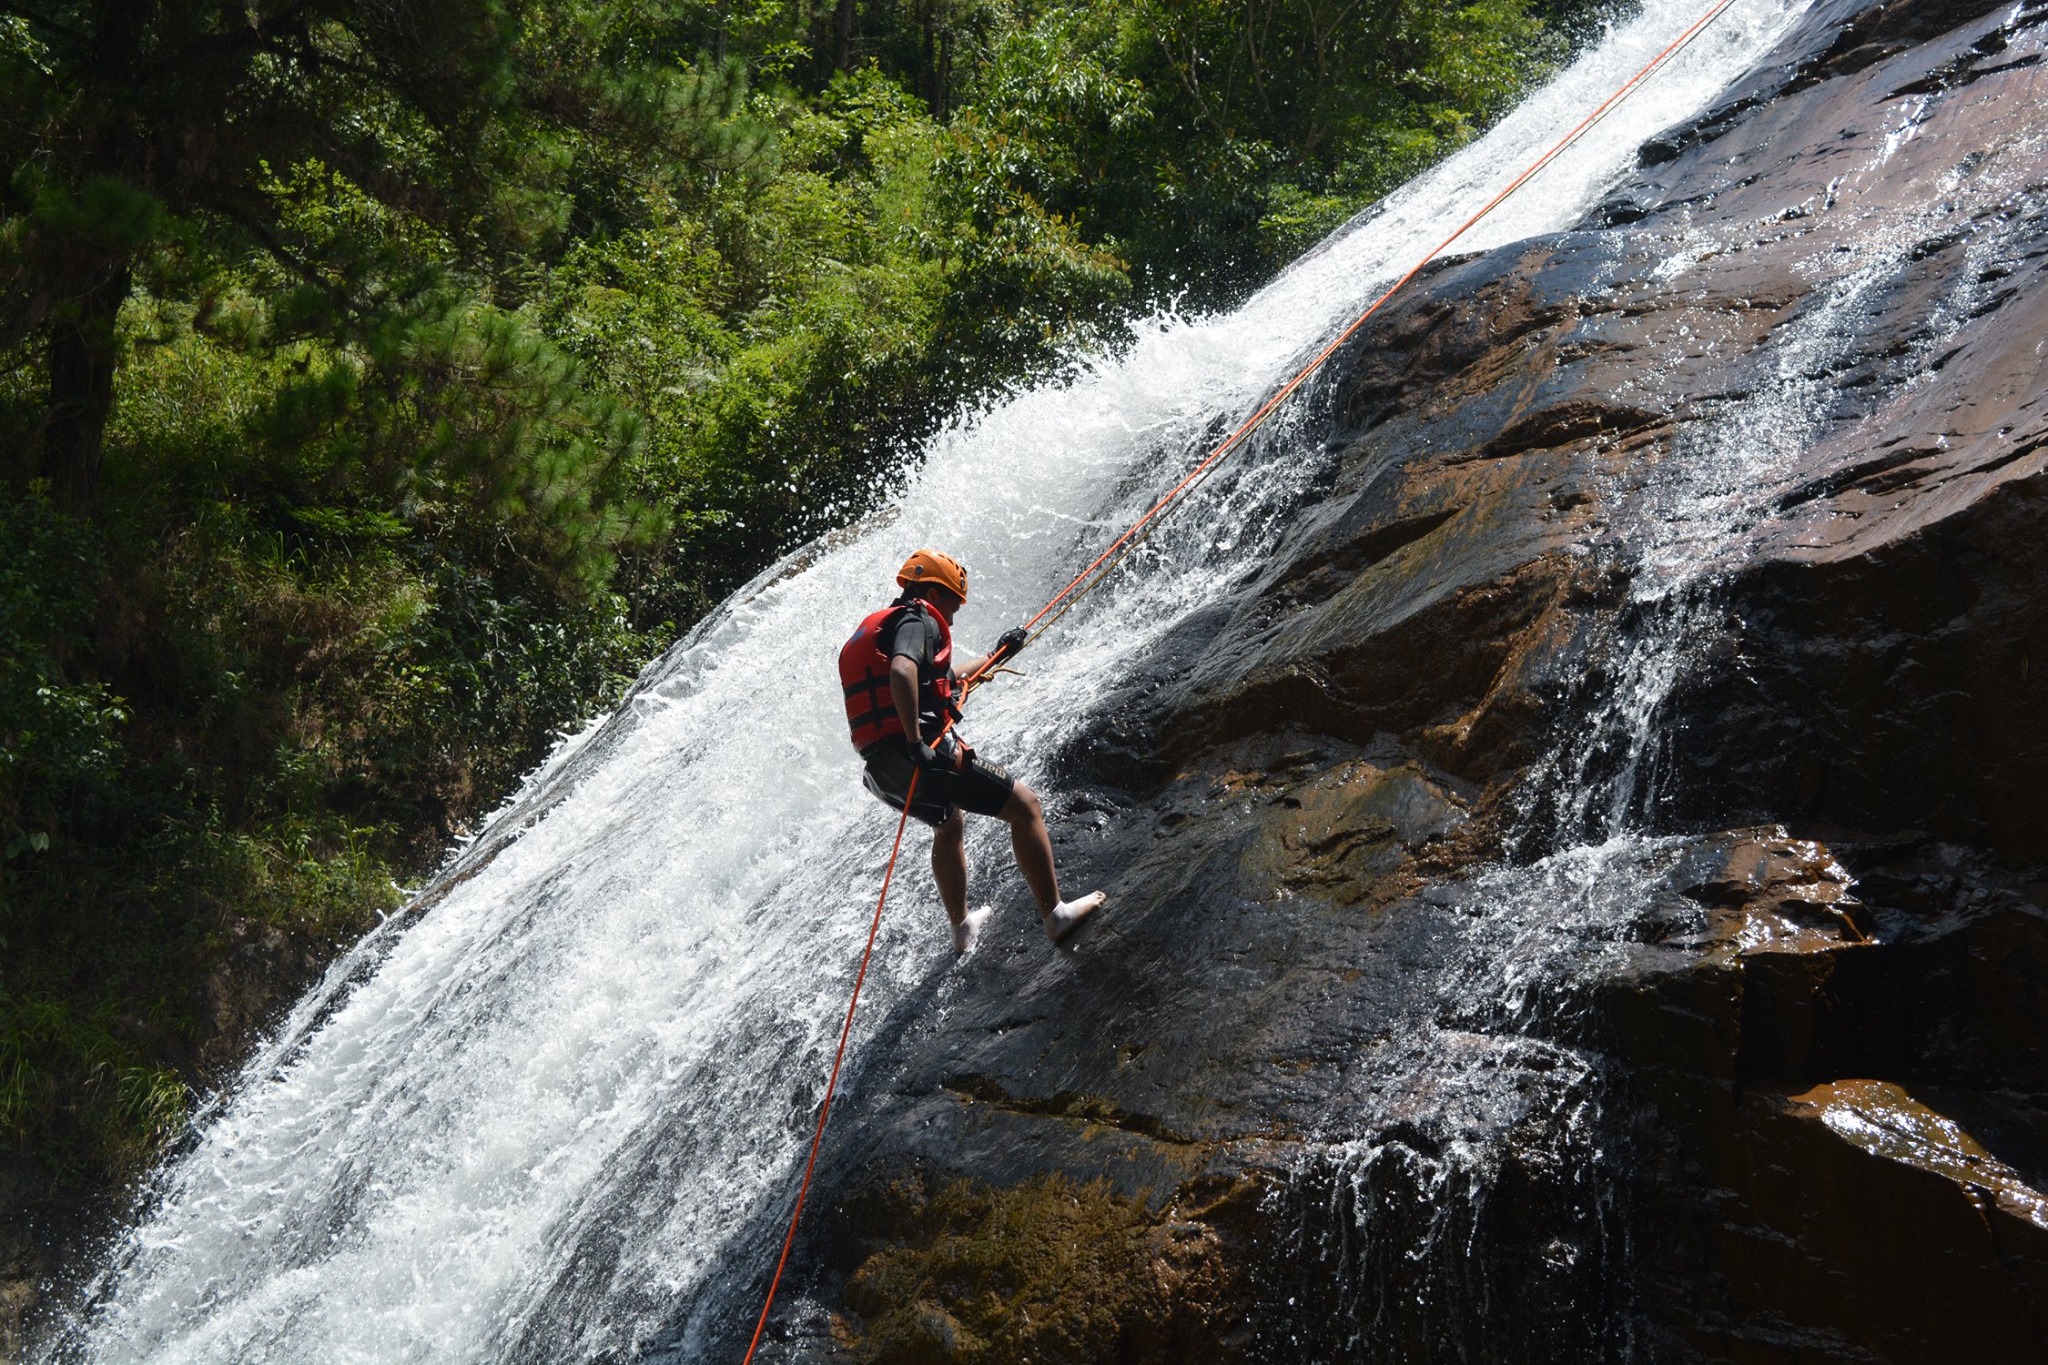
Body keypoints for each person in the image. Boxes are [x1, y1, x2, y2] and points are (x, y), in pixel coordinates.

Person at [840, 549, 1106, 954]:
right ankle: (1056, 915)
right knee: (1025, 805)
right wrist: (915, 741)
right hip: (919, 753)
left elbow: (944, 678)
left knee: (948, 824)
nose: (952, 615)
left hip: (881, 770)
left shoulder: (885, 627)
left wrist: (999, 654)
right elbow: (902, 671)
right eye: (952, 602)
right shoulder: (919, 619)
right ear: (931, 591)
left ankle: (962, 928)